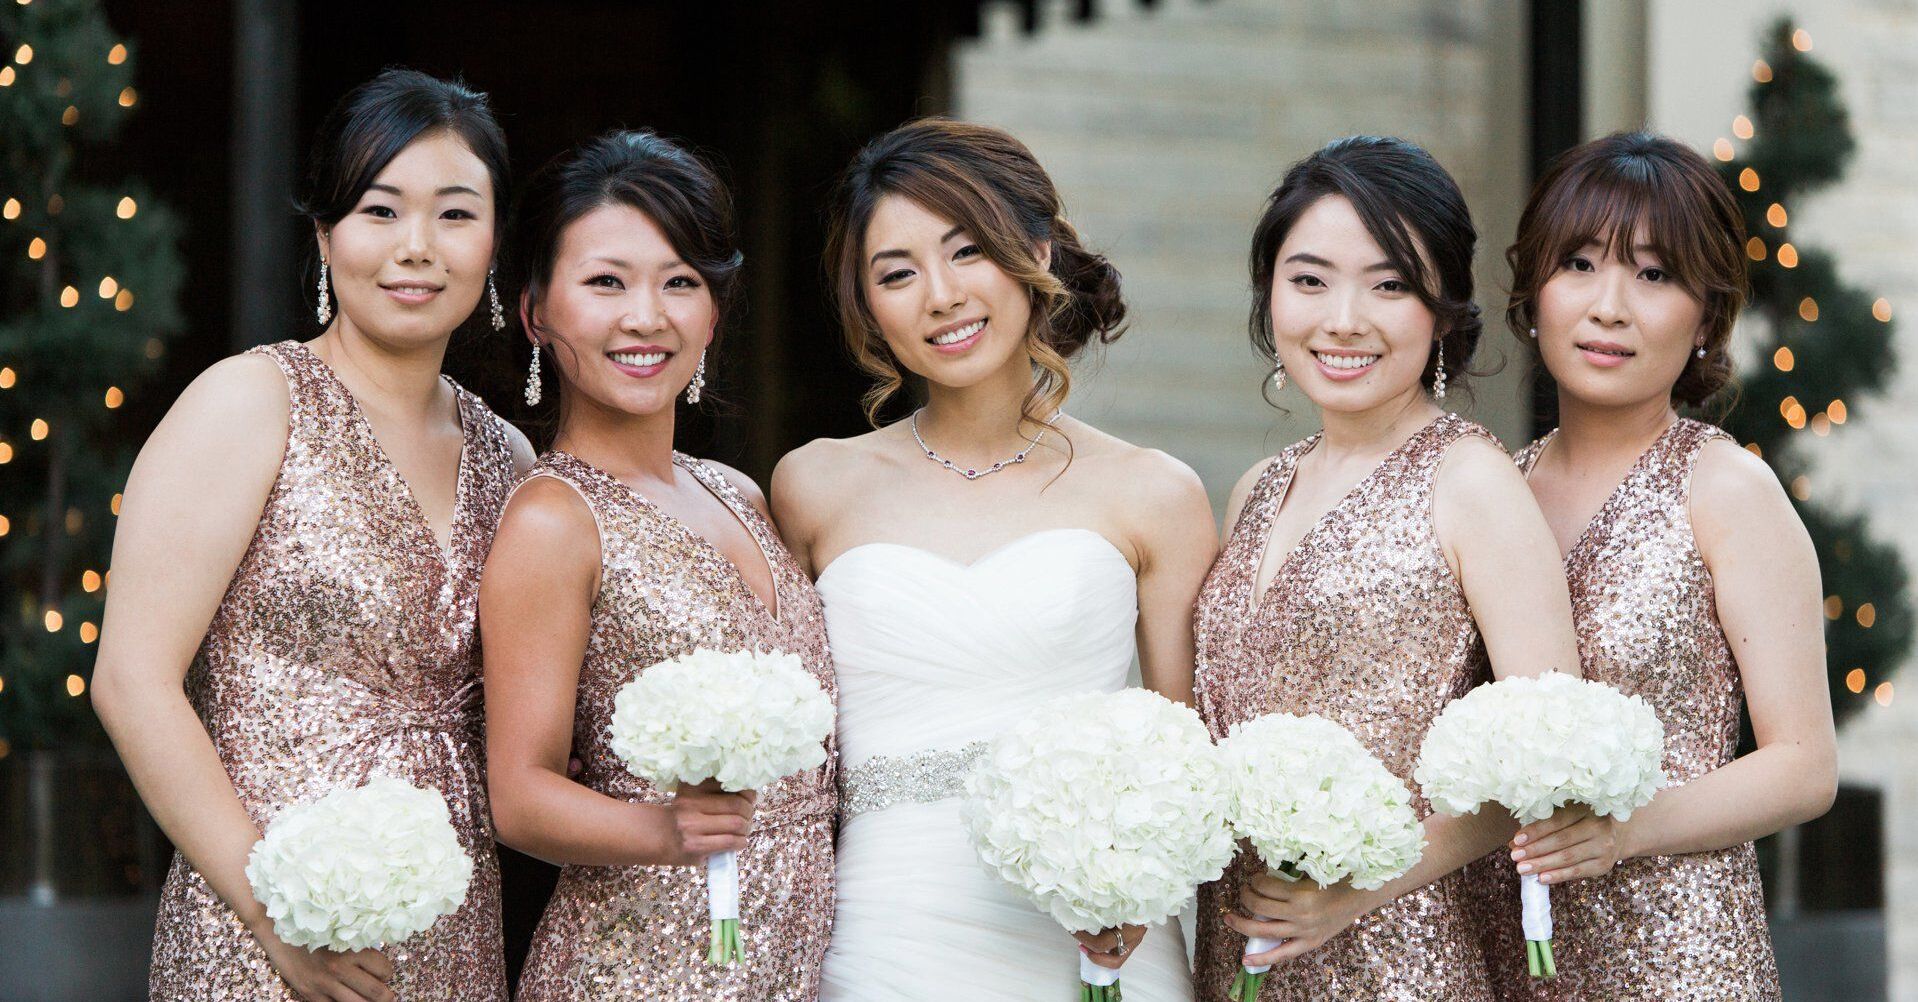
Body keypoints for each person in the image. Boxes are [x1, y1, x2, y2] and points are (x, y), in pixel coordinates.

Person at [92, 69, 530, 1002]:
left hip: (451, 936)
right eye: (381, 210)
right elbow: (132, 679)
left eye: (455, 215)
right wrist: (269, 912)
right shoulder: (251, 402)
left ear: (493, 243)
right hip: (261, 930)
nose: (417, 249)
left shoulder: (510, 459)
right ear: (327, 234)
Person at [775, 118, 1219, 999]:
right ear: (868, 309)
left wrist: (1143, 882)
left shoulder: (1153, 492)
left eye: (966, 251)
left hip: (1094, 946)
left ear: (1036, 249)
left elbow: (1188, 759)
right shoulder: (812, 488)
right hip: (881, 937)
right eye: (896, 274)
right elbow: (794, 768)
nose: (939, 296)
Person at [1191, 136, 1582, 1000]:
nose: (1343, 318)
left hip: (1398, 953)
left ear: (1441, 310)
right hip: (1241, 951)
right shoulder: (1258, 488)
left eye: (1390, 283)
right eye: (1310, 279)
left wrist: (1356, 889)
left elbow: (1548, 765)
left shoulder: (1471, 481)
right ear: (1271, 295)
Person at [1473, 130, 1835, 1000]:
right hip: (1503, 946)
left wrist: (1623, 831)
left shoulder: (1726, 490)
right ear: (1535, 292)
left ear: (1706, 314)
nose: (1609, 307)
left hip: (1678, 953)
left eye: (1654, 275)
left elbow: (1803, 764)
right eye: (1581, 264)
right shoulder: (1492, 491)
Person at [481, 130, 836, 1001]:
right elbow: (520, 796)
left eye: (680, 281)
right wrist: (669, 831)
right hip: (639, 967)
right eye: (606, 282)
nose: (647, 316)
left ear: (713, 312)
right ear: (536, 311)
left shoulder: (739, 494)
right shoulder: (553, 518)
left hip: (791, 962)